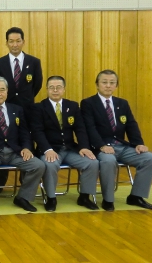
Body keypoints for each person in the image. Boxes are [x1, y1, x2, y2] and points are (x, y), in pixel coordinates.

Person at [81, 70, 152, 211]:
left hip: (121, 146)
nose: (108, 86)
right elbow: (89, 128)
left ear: (116, 86)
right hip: (101, 147)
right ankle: (108, 200)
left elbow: (131, 125)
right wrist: (102, 146)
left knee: (150, 159)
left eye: (112, 83)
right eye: (104, 82)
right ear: (97, 85)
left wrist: (139, 143)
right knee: (109, 161)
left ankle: (136, 196)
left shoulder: (122, 103)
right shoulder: (88, 103)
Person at [0, 77, 45, 213]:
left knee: (38, 165)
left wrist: (27, 148)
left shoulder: (16, 109)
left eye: (2, 90)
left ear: (7, 92)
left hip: (15, 152)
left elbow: (24, 133)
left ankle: (23, 197)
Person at [29, 76, 99, 212]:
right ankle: (51, 198)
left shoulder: (72, 106)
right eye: (52, 87)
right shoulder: (38, 107)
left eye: (58, 87)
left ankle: (84, 197)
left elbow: (80, 128)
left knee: (92, 162)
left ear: (64, 89)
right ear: (47, 89)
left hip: (70, 148)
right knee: (50, 164)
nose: (55, 90)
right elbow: (37, 132)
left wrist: (84, 147)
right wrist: (47, 149)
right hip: (50, 149)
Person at [0, 27, 43, 191]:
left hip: (27, 110)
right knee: (3, 143)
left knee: (26, 145)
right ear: (6, 43)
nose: (15, 44)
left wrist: (24, 100)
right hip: (4, 110)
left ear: (23, 42)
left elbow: (37, 85)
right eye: (11, 41)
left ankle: (25, 185)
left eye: (18, 41)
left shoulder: (34, 62)